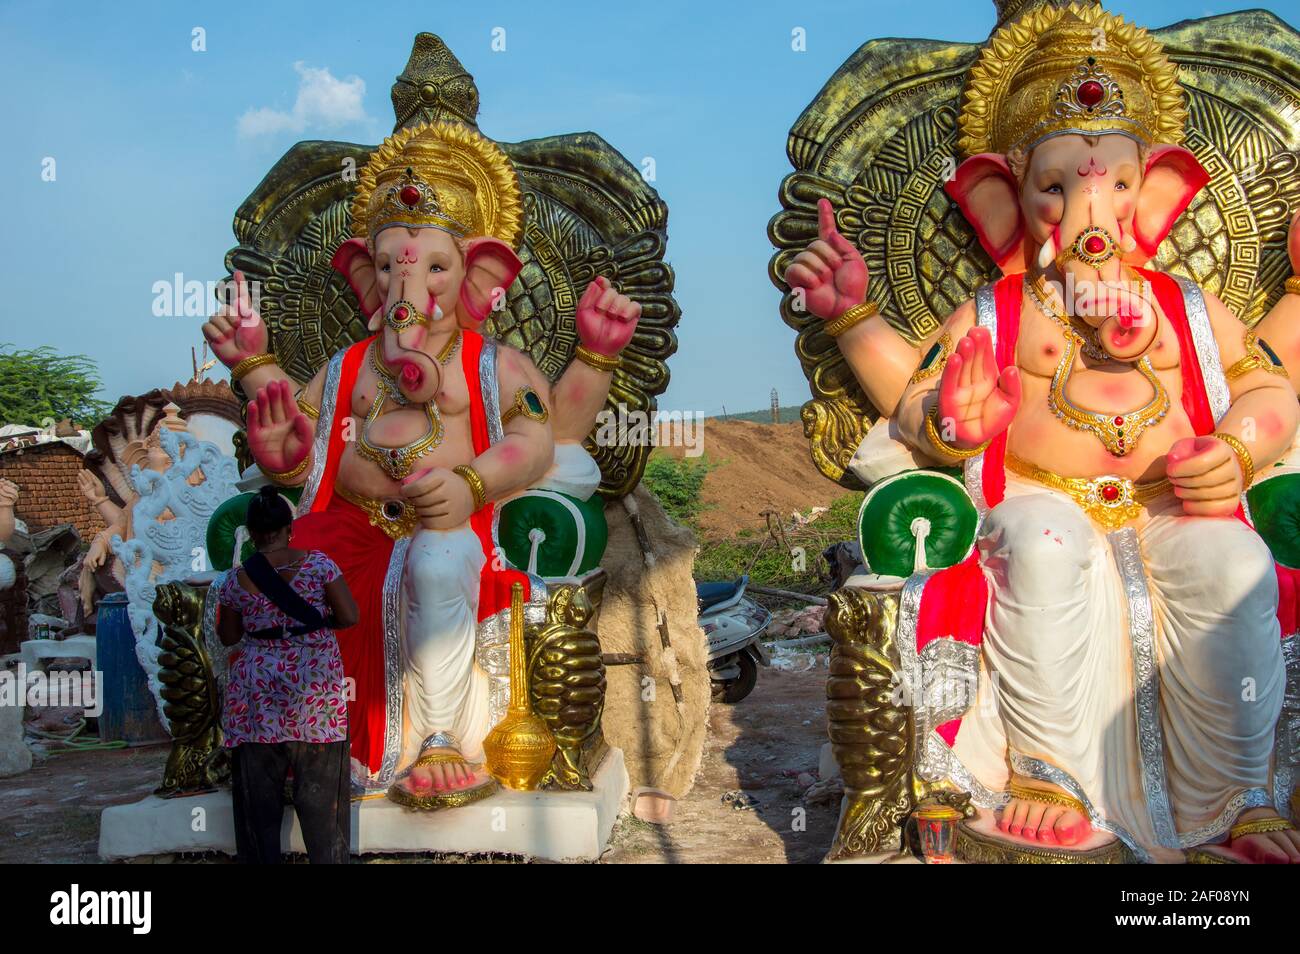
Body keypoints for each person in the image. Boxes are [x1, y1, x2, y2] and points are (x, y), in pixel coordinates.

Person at [217, 485, 359, 863]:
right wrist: (315, 624)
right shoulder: (319, 566)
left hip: (256, 697)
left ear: (250, 531)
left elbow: (229, 636)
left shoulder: (235, 580)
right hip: (314, 694)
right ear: (288, 528)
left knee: (258, 804)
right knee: (321, 796)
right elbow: (349, 617)